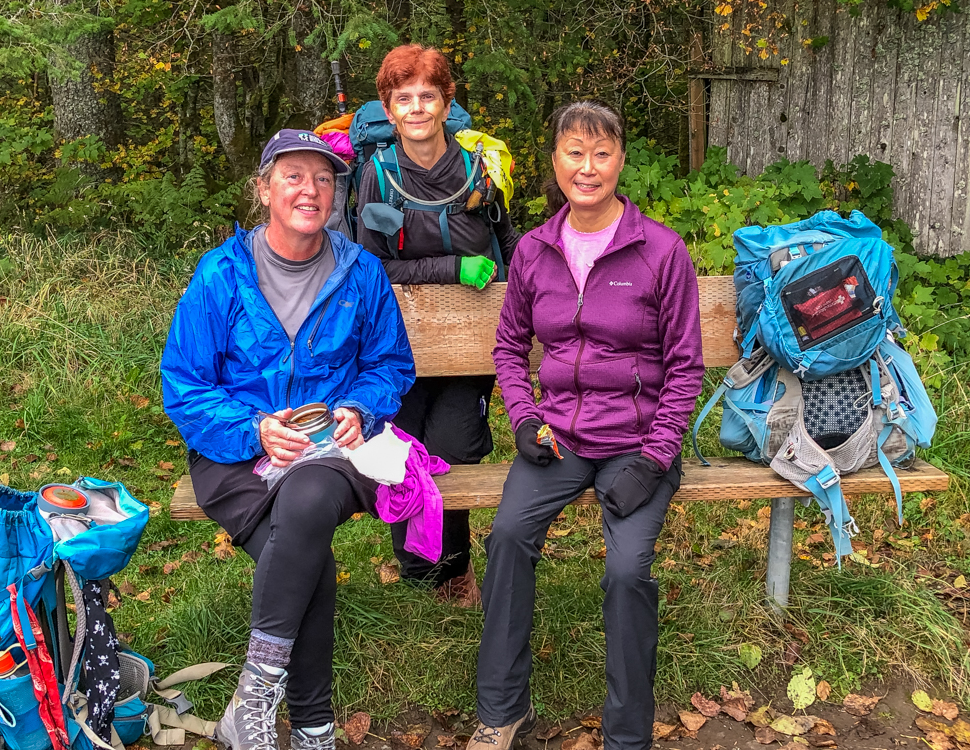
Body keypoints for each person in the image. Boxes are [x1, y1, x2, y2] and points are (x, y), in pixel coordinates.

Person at [160, 130, 415, 750]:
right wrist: (253, 428)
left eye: (324, 179)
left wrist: (359, 406)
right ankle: (313, 728)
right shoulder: (221, 275)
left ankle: (252, 698)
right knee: (310, 560)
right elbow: (185, 383)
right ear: (264, 189)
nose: (311, 190)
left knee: (306, 502)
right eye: (294, 176)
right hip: (237, 452)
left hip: (335, 450)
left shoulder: (361, 273)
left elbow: (390, 364)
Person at [468, 101, 705, 750]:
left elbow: (685, 368)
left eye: (602, 153)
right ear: (555, 162)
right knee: (509, 537)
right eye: (575, 152)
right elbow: (510, 348)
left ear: (621, 159)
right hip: (560, 439)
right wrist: (522, 418)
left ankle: (627, 736)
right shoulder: (536, 251)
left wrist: (656, 459)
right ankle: (501, 711)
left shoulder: (660, 251)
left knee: (628, 571)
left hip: (636, 444)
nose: (588, 167)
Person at [356, 44, 520, 605]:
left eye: (429, 95)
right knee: (402, 448)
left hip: (471, 338)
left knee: (452, 445)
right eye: (405, 98)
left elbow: (510, 240)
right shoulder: (377, 175)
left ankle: (453, 568)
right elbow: (371, 265)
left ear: (447, 103)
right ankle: (416, 573)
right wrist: (451, 267)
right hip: (397, 343)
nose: (418, 107)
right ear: (389, 106)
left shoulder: (480, 166)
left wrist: (513, 290)